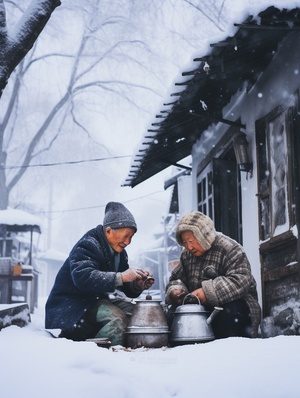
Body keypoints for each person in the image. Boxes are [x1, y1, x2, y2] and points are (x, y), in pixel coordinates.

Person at [45, 201, 154, 345]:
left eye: (131, 237)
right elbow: (83, 278)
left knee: (139, 312)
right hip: (75, 305)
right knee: (117, 321)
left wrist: (136, 284)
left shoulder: (120, 253)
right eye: (126, 235)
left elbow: (123, 284)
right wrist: (122, 277)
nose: (128, 242)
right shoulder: (88, 244)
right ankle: (97, 358)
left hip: (95, 300)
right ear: (108, 231)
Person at [165, 211, 261, 338]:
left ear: (204, 236)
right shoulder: (186, 255)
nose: (189, 246)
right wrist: (176, 290)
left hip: (236, 309)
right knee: (174, 314)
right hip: (203, 311)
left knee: (231, 311)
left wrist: (207, 292)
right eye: (184, 242)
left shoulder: (229, 248)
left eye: (191, 241)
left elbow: (241, 280)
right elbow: (177, 278)